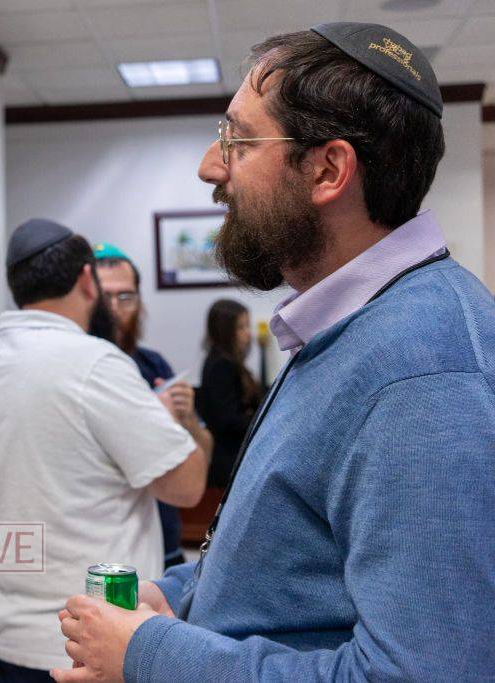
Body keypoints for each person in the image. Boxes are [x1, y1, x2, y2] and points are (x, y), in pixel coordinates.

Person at [54, 22, 495, 682]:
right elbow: (291, 555)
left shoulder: (424, 370)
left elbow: (419, 674)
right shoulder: (357, 323)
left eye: (238, 139)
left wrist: (150, 652)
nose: (211, 165)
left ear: (327, 170)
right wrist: (178, 597)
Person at [0, 219, 208, 681]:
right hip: (81, 643)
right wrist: (162, 417)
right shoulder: (96, 364)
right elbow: (186, 487)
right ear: (87, 280)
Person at [93, 242, 213, 568]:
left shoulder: (153, 364)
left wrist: (186, 419)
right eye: (105, 297)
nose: (115, 308)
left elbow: (203, 455)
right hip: (103, 549)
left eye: (125, 297)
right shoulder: (76, 369)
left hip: (163, 542)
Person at [197, 299, 264, 488]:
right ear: (225, 331)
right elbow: (227, 420)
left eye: (247, 326)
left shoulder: (230, 363)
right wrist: (261, 418)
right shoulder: (221, 366)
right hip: (228, 460)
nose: (248, 333)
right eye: (241, 327)